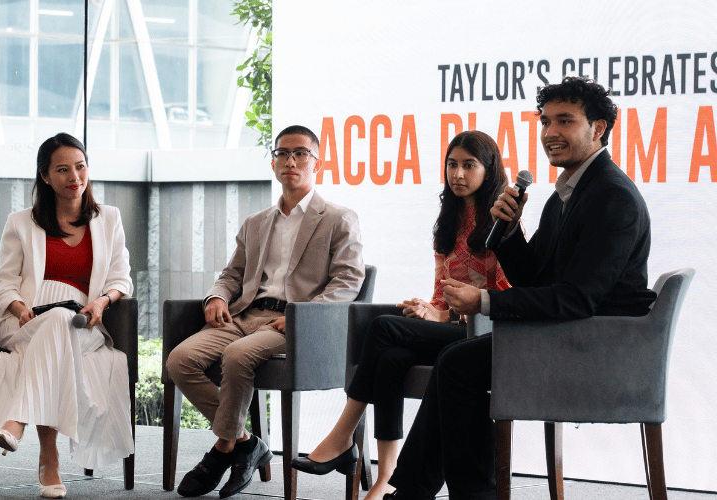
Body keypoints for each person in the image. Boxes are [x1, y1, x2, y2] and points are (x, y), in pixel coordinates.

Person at [383, 76, 658, 500]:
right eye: (545, 121)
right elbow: (537, 279)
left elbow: (576, 298)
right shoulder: (565, 195)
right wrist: (507, 233)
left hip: (594, 346)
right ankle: (416, 491)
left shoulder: (611, 196)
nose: (550, 133)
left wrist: (483, 300)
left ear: (598, 128)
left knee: (457, 363)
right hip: (570, 333)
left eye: (564, 121)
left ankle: (457, 493)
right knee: (453, 358)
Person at [291, 130, 510, 500]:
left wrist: (442, 318)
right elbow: (443, 292)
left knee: (383, 327)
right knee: (391, 357)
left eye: (468, 165)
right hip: (453, 329)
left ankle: (343, 434)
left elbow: (504, 297)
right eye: (452, 164)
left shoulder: (502, 223)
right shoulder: (449, 221)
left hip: (483, 335)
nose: (457, 174)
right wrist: (427, 309)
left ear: (489, 171)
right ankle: (386, 477)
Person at [165, 125, 366, 498]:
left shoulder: (339, 218)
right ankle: (244, 440)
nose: (290, 160)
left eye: (300, 154)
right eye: (283, 153)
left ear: (317, 163)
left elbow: (347, 282)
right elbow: (232, 274)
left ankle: (224, 449)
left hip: (292, 323)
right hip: (244, 315)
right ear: (274, 162)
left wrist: (301, 316)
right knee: (180, 360)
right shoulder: (255, 222)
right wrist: (217, 298)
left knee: (237, 356)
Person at [0, 133, 134, 499]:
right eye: (62, 170)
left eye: (80, 166)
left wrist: (103, 302)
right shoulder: (21, 222)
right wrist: (17, 307)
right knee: (54, 325)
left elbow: (121, 277)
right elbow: (3, 285)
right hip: (26, 322)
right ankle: (48, 457)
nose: (74, 176)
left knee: (62, 323)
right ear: (45, 176)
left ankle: (23, 428)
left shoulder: (109, 219)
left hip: (84, 323)